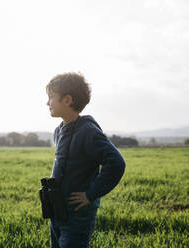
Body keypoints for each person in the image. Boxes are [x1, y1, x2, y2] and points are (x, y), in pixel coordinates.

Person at [46, 72, 126, 248]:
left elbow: (116, 162)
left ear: (67, 100)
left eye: (51, 98)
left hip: (78, 212)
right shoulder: (59, 131)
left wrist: (91, 194)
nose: (47, 103)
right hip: (57, 209)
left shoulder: (88, 132)